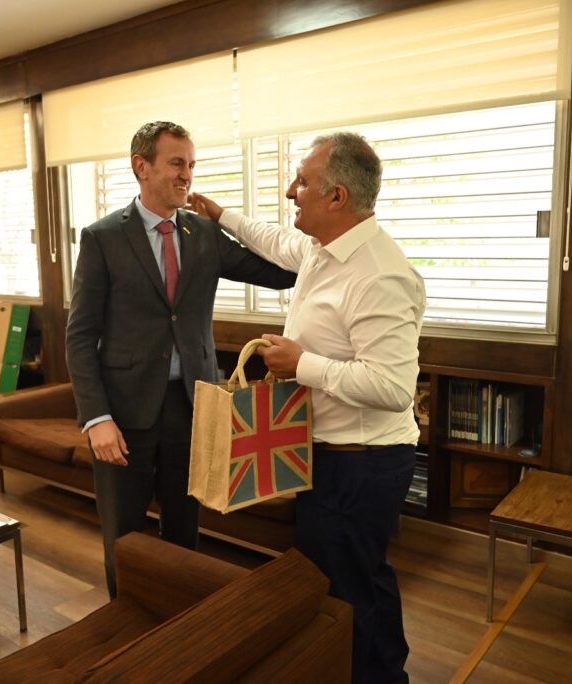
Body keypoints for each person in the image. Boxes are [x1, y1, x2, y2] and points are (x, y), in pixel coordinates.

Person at [188, 131, 425, 684]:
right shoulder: (324, 250)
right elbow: (272, 240)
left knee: (348, 593)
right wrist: (221, 215)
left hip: (361, 464)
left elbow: (392, 388)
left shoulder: (378, 275)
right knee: (362, 581)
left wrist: (303, 364)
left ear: (337, 196)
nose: (292, 191)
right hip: (333, 457)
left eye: (302, 181)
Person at [66, 121, 297, 599]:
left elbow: (280, 273)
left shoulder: (204, 234)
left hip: (194, 408)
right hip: (123, 413)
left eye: (191, 164)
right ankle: (127, 620)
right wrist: (96, 417)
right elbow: (80, 335)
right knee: (125, 534)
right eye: (176, 163)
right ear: (141, 166)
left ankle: (181, 622)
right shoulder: (102, 238)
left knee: (185, 528)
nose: (186, 175)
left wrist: (231, 219)